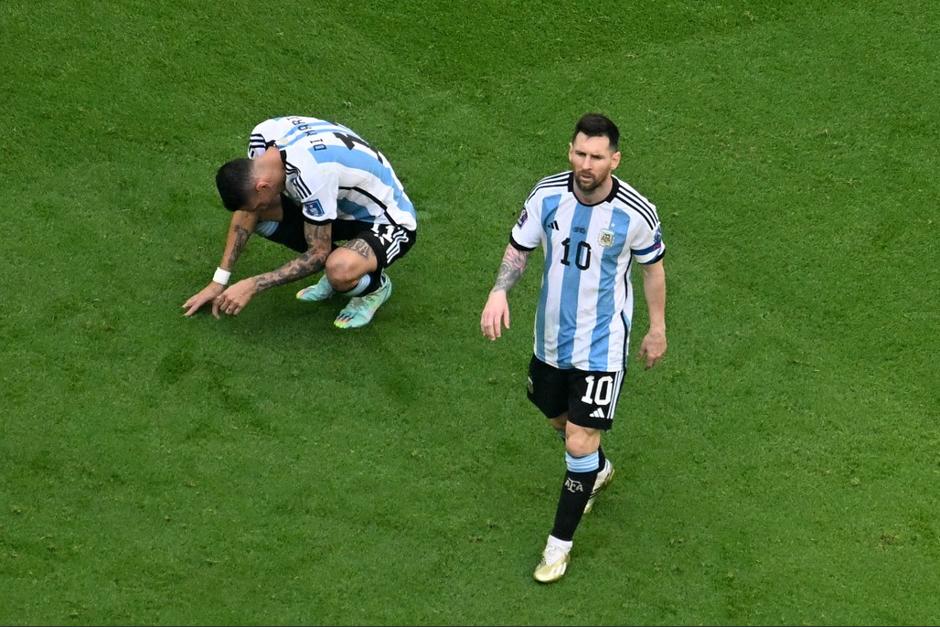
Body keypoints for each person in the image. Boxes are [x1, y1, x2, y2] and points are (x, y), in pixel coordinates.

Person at [480, 113, 667, 583]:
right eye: (580, 153)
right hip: (550, 340)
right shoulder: (547, 195)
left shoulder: (635, 214)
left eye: (597, 157)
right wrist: (499, 290)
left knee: (580, 437)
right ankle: (596, 470)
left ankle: (557, 545)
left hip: (602, 347)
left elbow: (652, 270)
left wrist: (657, 328)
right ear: (571, 151)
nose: (587, 164)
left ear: (614, 159)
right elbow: (519, 248)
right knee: (554, 416)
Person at [182, 115, 417, 328]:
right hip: (340, 204)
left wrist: (254, 284)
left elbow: (318, 253)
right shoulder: (262, 138)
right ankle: (350, 264)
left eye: (259, 201)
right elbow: (247, 214)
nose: (258, 209)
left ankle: (375, 287)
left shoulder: (312, 176)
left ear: (262, 186)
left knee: (338, 269)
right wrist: (218, 281)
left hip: (387, 220)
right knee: (257, 215)